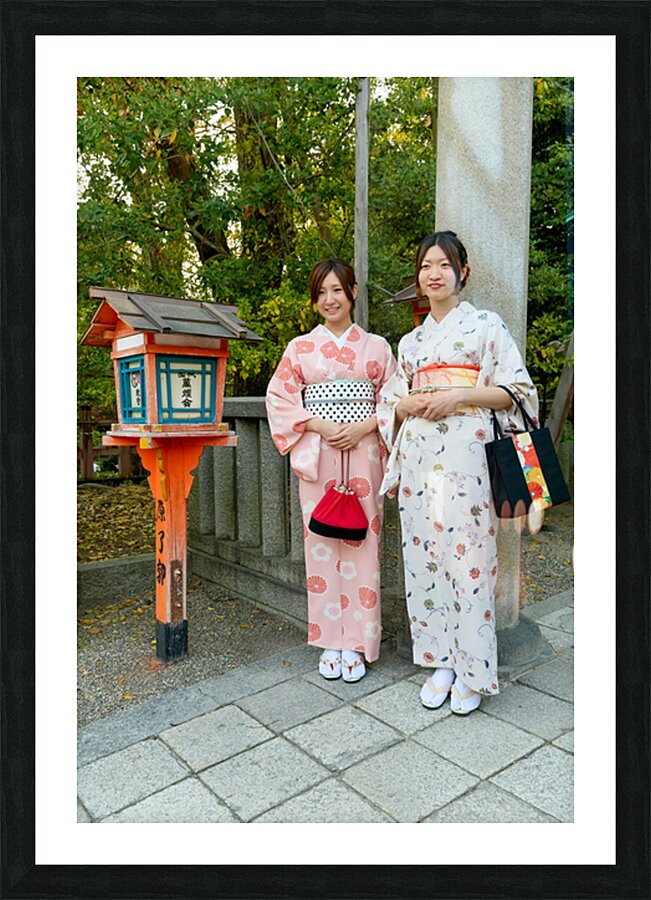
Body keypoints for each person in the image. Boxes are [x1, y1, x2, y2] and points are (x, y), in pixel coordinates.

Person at [376, 231, 539, 714]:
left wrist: (460, 396)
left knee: (469, 558)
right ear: (419, 276)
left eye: (444, 264)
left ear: (462, 272)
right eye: (426, 265)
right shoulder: (410, 342)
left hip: (468, 459)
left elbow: (518, 392)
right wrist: (407, 403)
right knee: (424, 560)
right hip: (420, 464)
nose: (434, 273)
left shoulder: (486, 327)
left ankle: (474, 669)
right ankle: (440, 661)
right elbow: (390, 403)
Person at [266, 259, 396, 682]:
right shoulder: (299, 348)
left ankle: (359, 643)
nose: (329, 300)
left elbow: (394, 400)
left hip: (364, 452)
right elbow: (279, 398)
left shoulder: (376, 347)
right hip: (319, 454)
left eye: (337, 290)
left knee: (364, 543)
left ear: (353, 292)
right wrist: (318, 423)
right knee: (320, 543)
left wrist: (366, 424)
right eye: (321, 292)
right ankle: (329, 640)